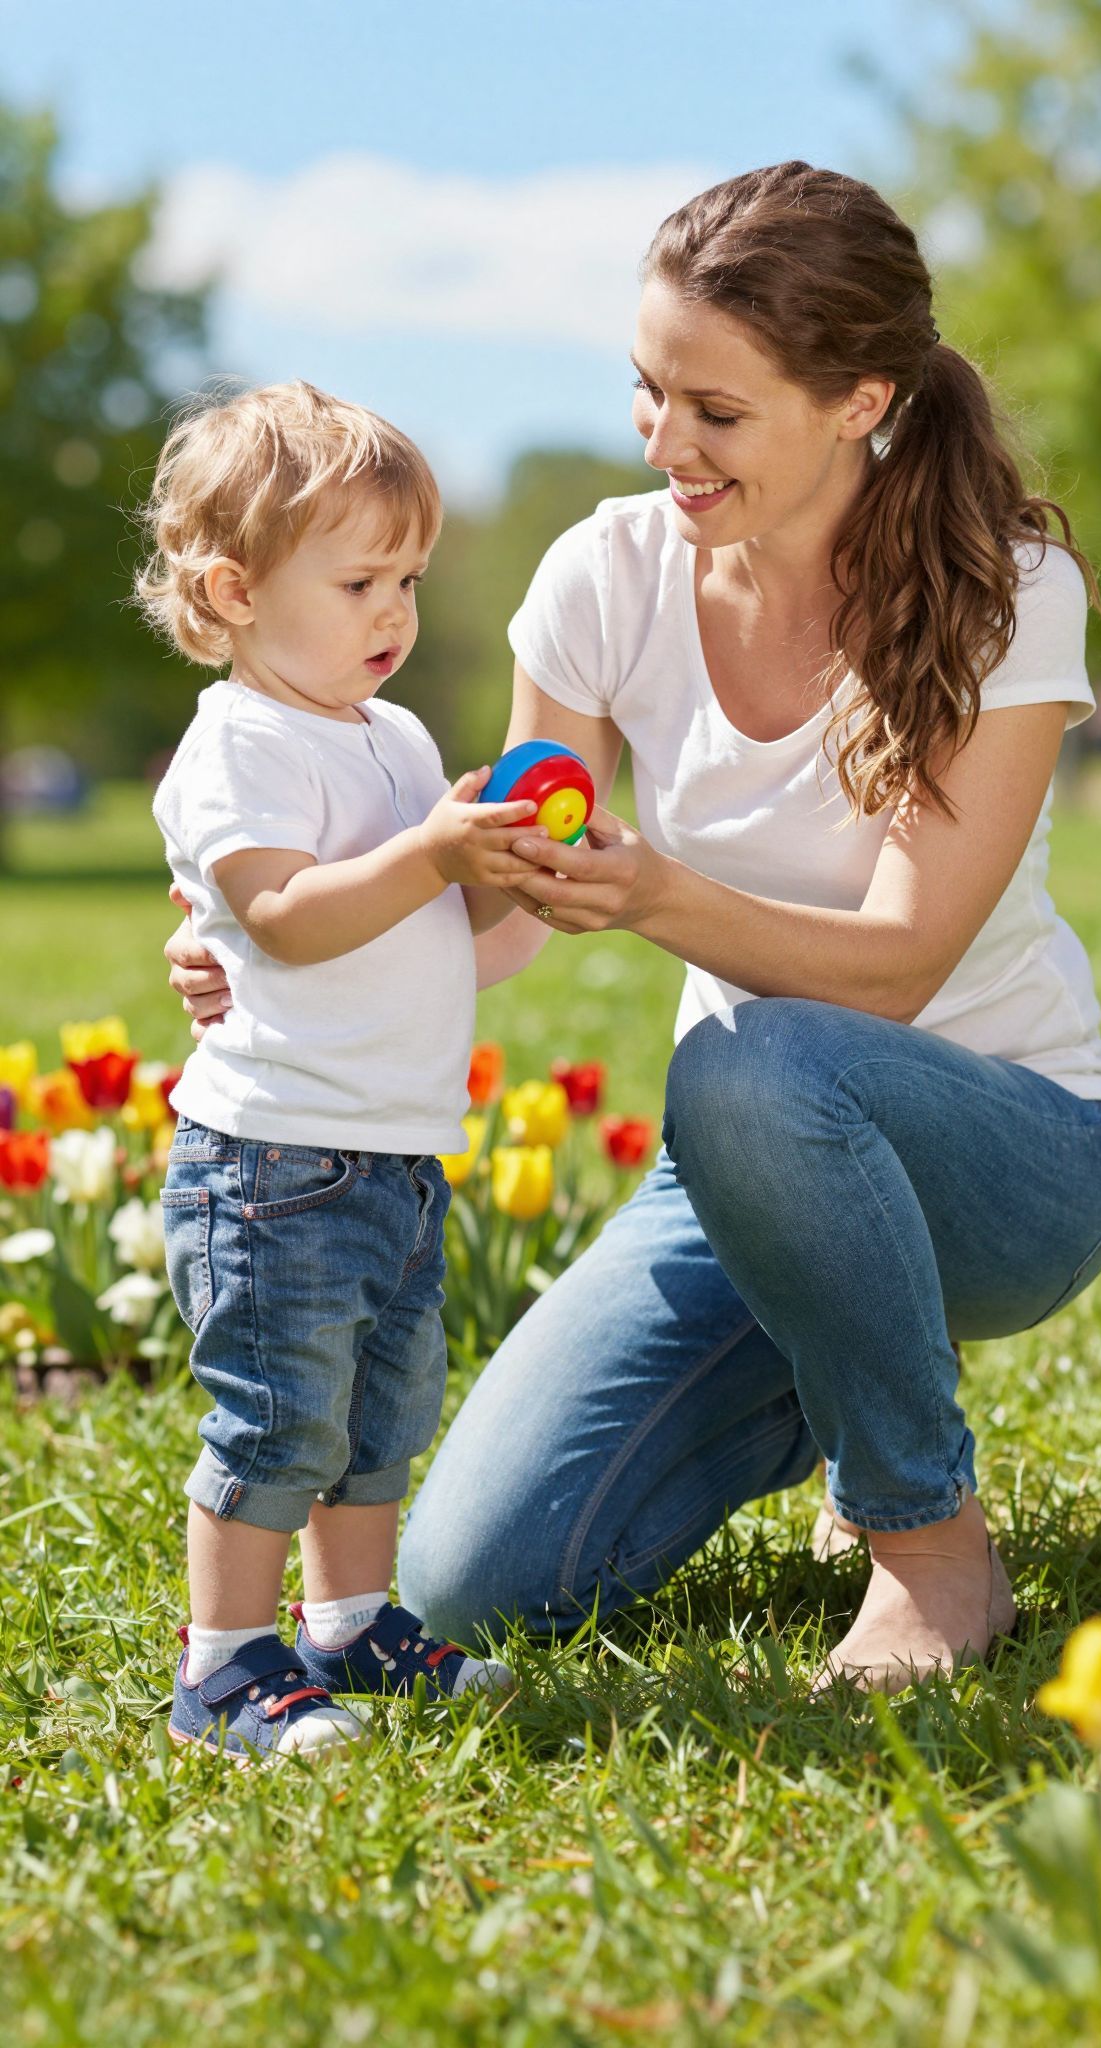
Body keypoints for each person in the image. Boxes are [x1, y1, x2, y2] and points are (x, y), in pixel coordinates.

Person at [167, 168, 1101, 1694]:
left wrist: (669, 899)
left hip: (1012, 1155)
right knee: (478, 1575)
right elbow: (497, 909)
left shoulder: (1005, 592)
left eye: (717, 410)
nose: (665, 444)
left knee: (754, 1068)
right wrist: (284, 933)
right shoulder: (604, 578)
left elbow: (901, 966)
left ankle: (929, 1548)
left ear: (857, 399)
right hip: (751, 1169)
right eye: (647, 392)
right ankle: (848, 1358)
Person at [140, 382, 526, 1760]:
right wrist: (431, 852)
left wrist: (514, 874)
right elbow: (291, 921)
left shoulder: (399, 739)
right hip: (274, 1161)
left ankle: (350, 1625)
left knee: (378, 1418)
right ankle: (225, 1670)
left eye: (409, 579)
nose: (393, 613)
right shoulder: (235, 745)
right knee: (277, 1420)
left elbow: (455, 939)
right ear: (233, 591)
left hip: (395, 1153)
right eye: (358, 579)